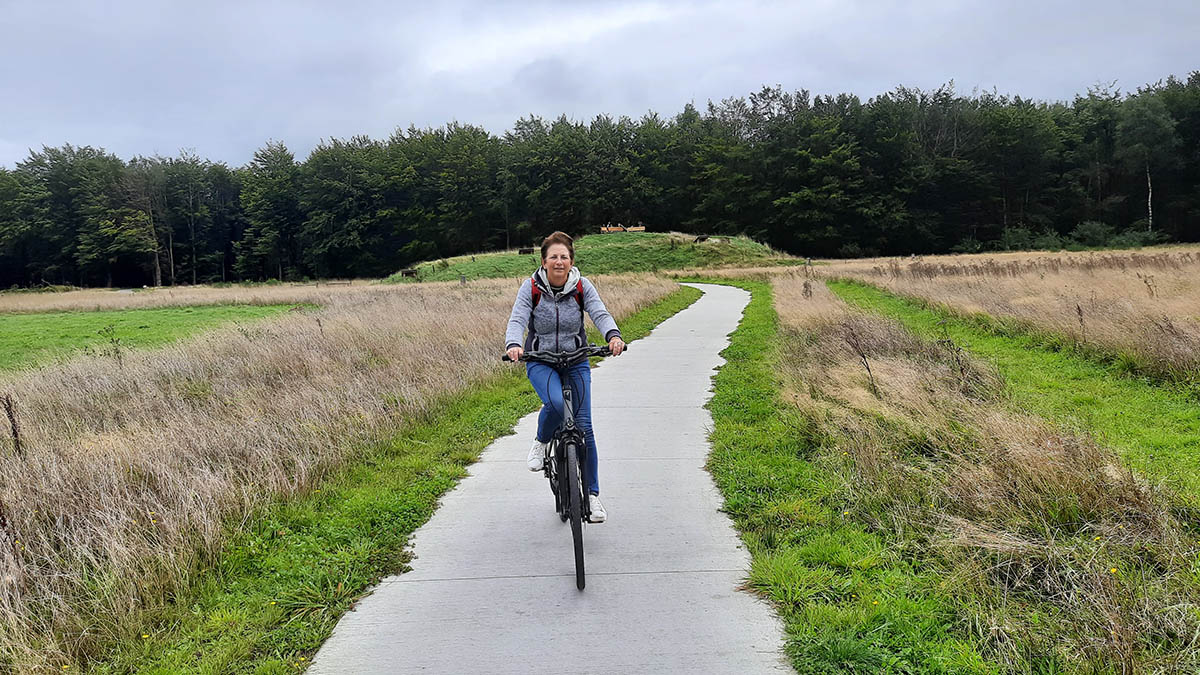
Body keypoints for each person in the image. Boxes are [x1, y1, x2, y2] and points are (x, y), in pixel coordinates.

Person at [505, 231, 625, 523]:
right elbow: (518, 318)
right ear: (544, 261)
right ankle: (541, 441)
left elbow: (600, 312)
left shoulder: (582, 286)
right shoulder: (531, 287)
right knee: (558, 405)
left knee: (585, 427)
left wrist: (613, 335)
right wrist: (514, 344)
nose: (559, 262)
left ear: (571, 261)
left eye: (564, 257)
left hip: (576, 360)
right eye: (553, 257)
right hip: (541, 361)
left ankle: (593, 497)